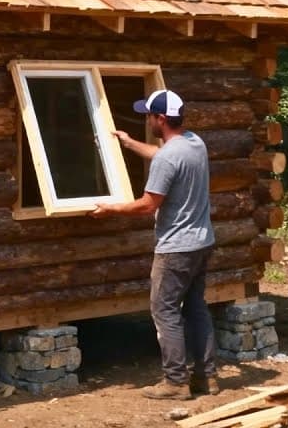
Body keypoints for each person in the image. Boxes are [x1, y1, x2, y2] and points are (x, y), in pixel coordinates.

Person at [90, 88, 218, 401]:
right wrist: (130, 143)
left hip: (175, 248)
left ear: (160, 119)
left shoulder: (169, 157)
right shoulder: (194, 144)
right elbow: (163, 157)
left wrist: (110, 208)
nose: (146, 119)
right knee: (197, 308)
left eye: (149, 115)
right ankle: (207, 377)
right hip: (202, 243)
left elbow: (148, 205)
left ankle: (175, 382)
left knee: (165, 310)